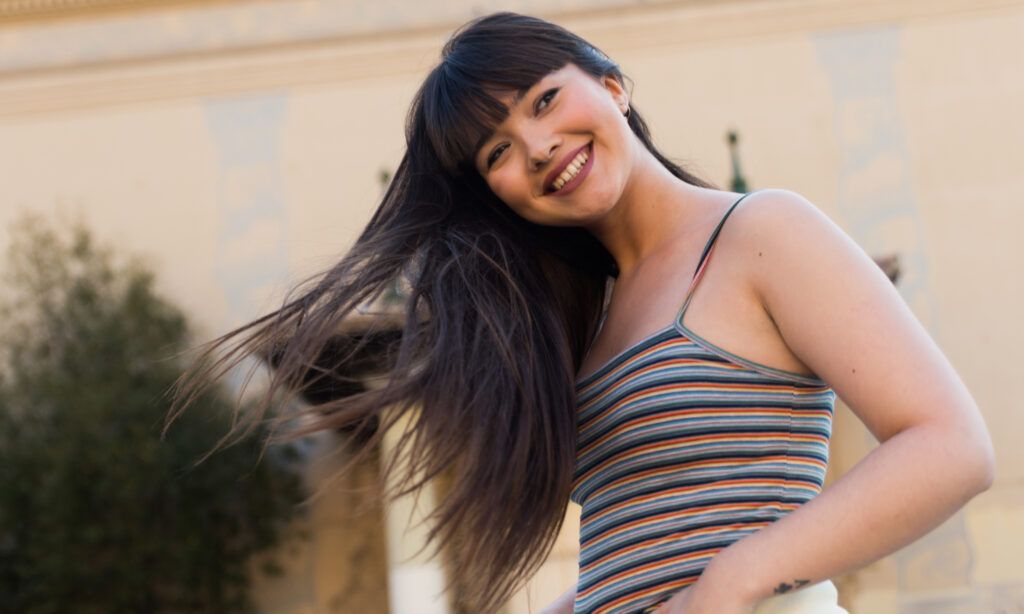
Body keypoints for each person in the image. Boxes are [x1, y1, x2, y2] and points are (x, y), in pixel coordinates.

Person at [166, 11, 995, 614]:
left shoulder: (759, 231)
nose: (535, 146)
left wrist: (737, 580)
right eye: (496, 152)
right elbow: (637, 533)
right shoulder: (584, 318)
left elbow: (950, 446)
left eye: (542, 100)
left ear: (612, 83)